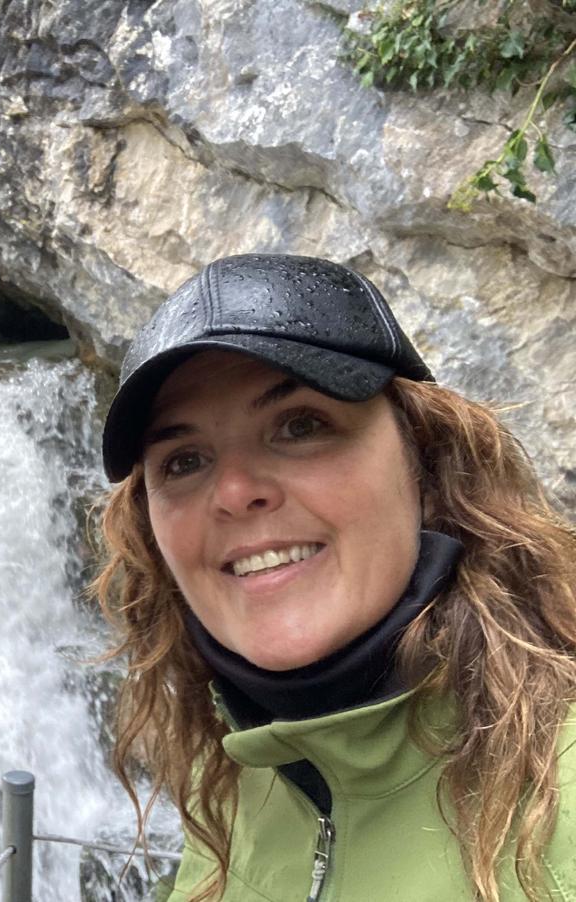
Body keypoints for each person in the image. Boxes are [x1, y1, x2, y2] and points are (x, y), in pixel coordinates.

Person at [95, 254, 576, 901]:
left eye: (300, 425)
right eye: (184, 460)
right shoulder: (230, 772)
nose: (235, 492)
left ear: (425, 460)